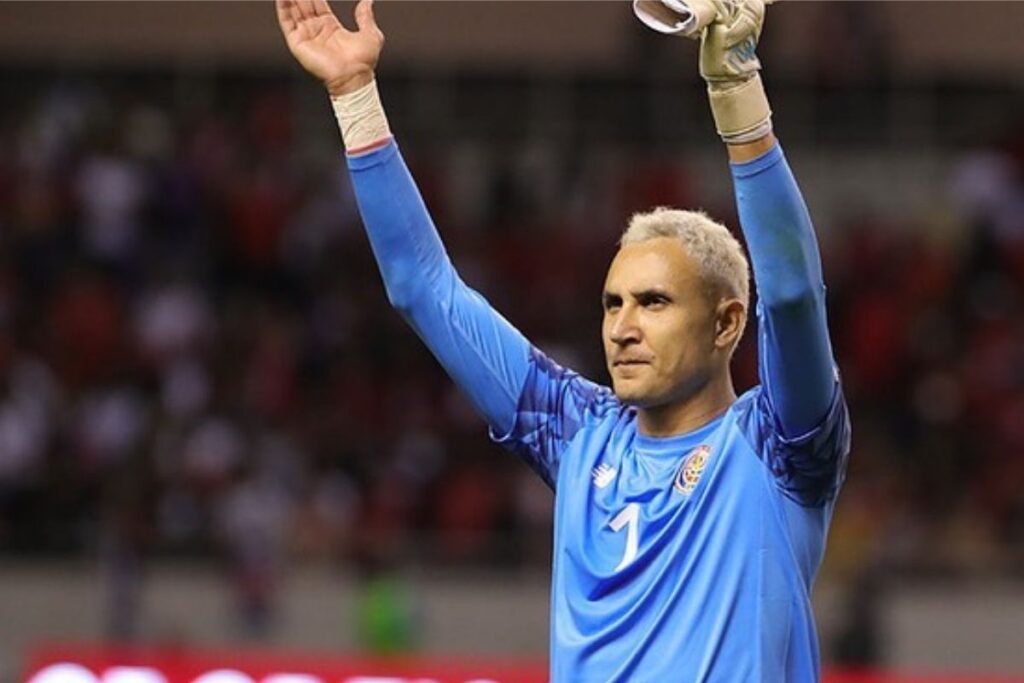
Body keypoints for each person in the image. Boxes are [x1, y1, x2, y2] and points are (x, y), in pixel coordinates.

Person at [276, 0, 850, 680]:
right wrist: (353, 96)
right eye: (613, 304)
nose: (623, 326)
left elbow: (787, 294)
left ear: (726, 323)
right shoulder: (579, 433)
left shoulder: (780, 446)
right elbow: (423, 288)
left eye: (654, 302)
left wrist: (735, 86)